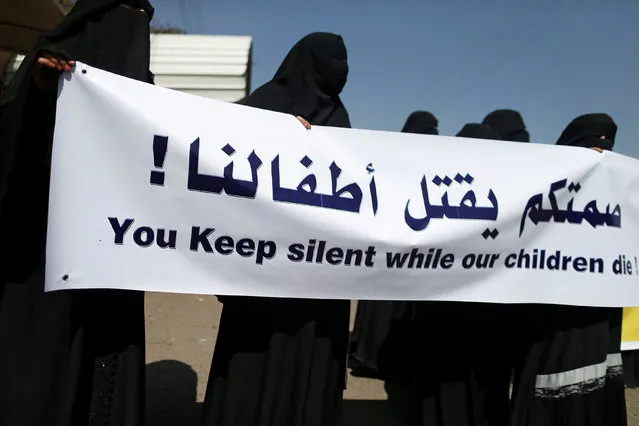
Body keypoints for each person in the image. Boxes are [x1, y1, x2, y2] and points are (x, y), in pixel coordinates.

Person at [0, 1, 154, 425]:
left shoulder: (142, 86)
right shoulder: (48, 64)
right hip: (42, 259)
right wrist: (37, 92)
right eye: (125, 12)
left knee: (101, 361)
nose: (134, 29)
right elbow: (12, 154)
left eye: (143, 18)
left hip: (111, 252)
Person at [200, 32, 351, 426]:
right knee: (255, 355)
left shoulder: (340, 117)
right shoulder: (263, 105)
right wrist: (271, 133)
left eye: (345, 61)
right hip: (263, 266)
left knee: (309, 353)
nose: (342, 70)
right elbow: (215, 152)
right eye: (332, 60)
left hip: (318, 270)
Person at [509, 113, 626, 426]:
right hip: (554, 313)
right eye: (593, 143)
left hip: (601, 311)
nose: (601, 151)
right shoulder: (544, 188)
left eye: (608, 144)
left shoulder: (619, 189)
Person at [349, 110, 439, 380]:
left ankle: (375, 356)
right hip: (389, 243)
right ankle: (370, 356)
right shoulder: (391, 162)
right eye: (428, 132)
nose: (432, 138)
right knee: (382, 305)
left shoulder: (431, 165)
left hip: (409, 247)